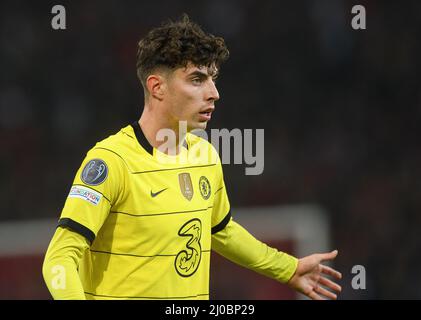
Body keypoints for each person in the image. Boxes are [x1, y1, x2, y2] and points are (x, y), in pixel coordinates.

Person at [42, 14, 342, 300]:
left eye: (213, 78)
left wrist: (287, 269)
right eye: (197, 79)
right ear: (157, 87)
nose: (213, 93)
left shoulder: (205, 155)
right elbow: (59, 257)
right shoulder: (111, 161)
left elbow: (221, 230)